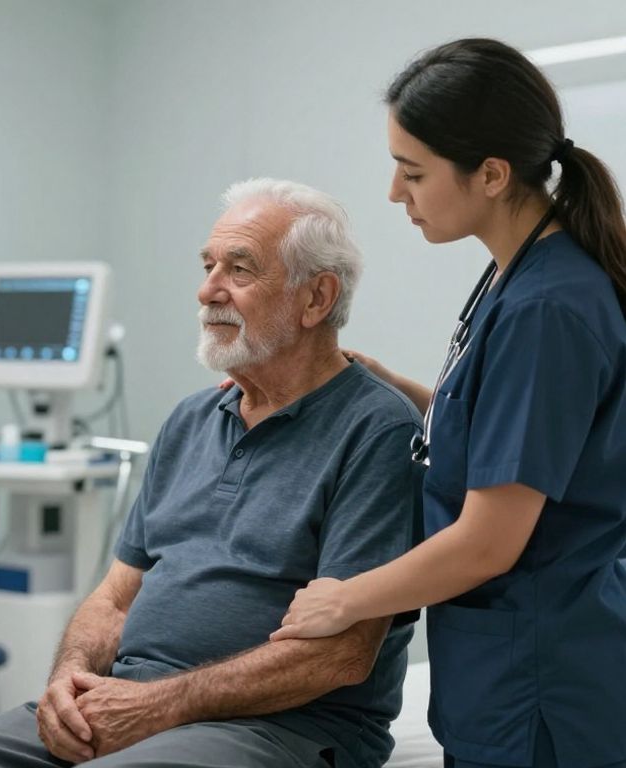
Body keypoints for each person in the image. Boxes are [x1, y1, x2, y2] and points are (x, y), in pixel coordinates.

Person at [0, 179, 423, 768]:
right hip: (130, 704)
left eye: (239, 270)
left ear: (316, 298)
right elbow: (115, 599)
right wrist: (68, 681)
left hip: (276, 729)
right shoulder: (192, 419)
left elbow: (339, 655)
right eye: (208, 265)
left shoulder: (377, 430)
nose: (207, 290)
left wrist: (158, 706)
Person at [271, 38, 626, 768]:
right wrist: (405, 388)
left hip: (541, 688)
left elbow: (491, 540)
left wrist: (345, 599)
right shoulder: (514, 277)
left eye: (413, 172)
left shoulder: (547, 307)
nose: (395, 193)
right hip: (505, 674)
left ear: (491, 174)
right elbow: (519, 438)